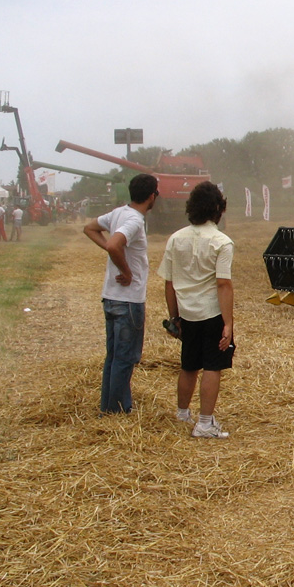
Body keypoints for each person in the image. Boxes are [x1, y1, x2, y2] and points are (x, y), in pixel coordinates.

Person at [157, 181, 234, 439]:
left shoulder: (176, 238)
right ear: (217, 209)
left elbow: (169, 283)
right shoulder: (222, 242)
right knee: (212, 366)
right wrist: (228, 323)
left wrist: (174, 316)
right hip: (211, 313)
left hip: (187, 313)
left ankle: (182, 414)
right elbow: (223, 284)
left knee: (188, 365)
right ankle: (204, 423)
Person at [83, 173, 159, 414]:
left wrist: (111, 250)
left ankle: (111, 406)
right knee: (126, 358)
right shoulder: (135, 220)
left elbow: (90, 228)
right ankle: (115, 410)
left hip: (111, 297)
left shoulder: (118, 212)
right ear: (151, 196)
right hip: (128, 300)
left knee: (114, 357)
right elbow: (115, 244)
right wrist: (125, 270)